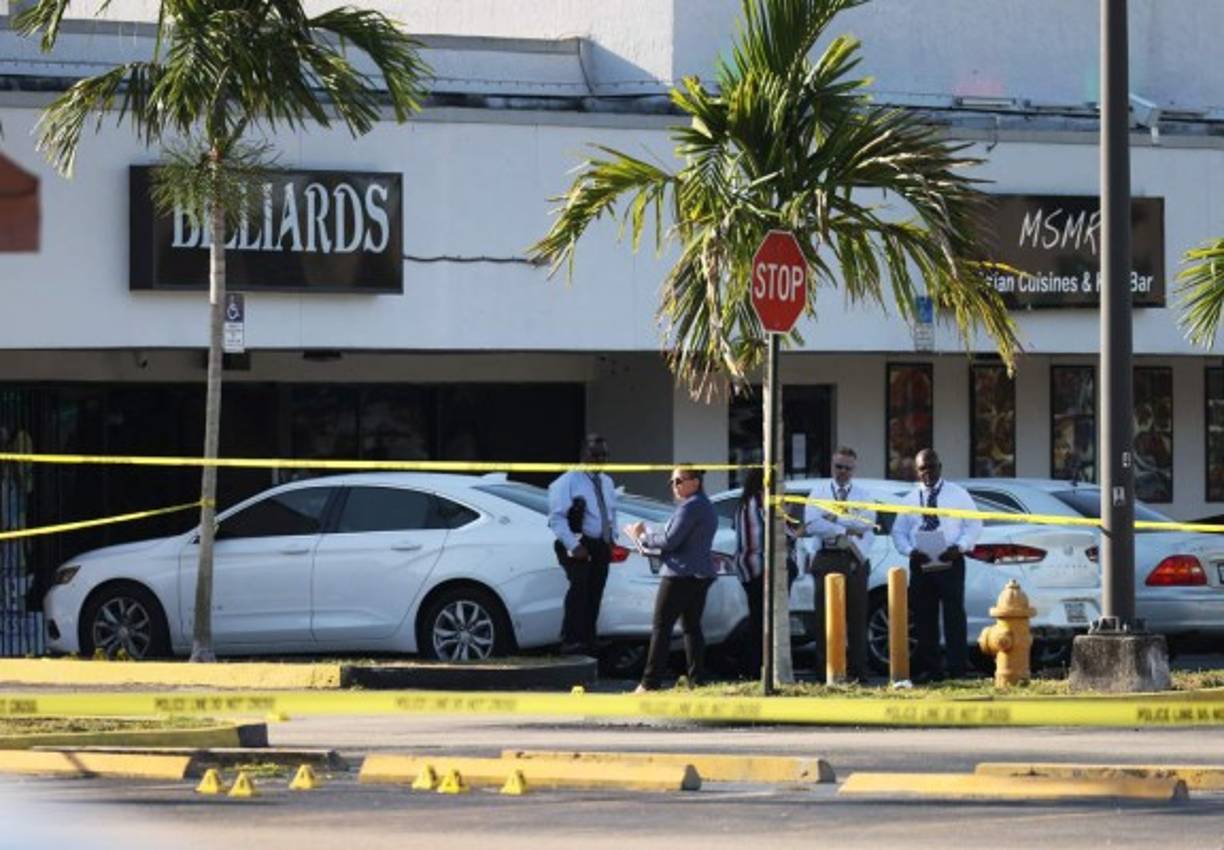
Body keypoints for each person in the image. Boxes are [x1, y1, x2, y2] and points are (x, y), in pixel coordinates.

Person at [890, 448, 982, 683]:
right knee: (924, 618)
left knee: (954, 617)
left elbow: (974, 525)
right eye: (922, 469)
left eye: (931, 467)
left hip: (950, 561)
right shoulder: (909, 499)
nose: (927, 473)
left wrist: (959, 547)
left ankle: (957, 669)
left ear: (940, 467)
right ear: (916, 471)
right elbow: (898, 532)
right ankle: (932, 670)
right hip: (921, 564)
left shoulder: (958, 494)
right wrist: (910, 551)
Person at [624, 466, 718, 692]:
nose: (675, 486)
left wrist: (643, 536)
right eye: (672, 482)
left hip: (680, 575)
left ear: (695, 482)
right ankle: (697, 681)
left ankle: (649, 683)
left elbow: (670, 540)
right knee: (691, 628)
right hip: (698, 574)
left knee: (661, 627)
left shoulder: (690, 507)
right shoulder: (705, 505)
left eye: (679, 481)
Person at [803, 446, 875, 681]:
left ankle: (858, 671)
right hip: (826, 557)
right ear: (832, 466)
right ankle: (826, 670)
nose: (842, 471)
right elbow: (812, 524)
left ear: (854, 469)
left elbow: (866, 523)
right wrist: (845, 527)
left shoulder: (864, 495)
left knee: (856, 617)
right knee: (824, 618)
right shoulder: (819, 491)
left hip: (854, 558)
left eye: (847, 468)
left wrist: (832, 518)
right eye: (838, 467)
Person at [548, 433, 617, 656]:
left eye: (604, 456)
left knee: (595, 592)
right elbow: (556, 518)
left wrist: (612, 538)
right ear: (584, 455)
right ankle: (570, 639)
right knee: (579, 588)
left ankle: (589, 639)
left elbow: (611, 512)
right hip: (577, 542)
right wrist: (573, 545)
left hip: (600, 544)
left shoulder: (606, 482)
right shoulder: (568, 481)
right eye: (595, 455)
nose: (600, 460)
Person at [733, 467, 765, 676]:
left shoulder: (742, 504)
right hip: (760, 568)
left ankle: (751, 667)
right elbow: (784, 532)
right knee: (761, 623)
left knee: (755, 619)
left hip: (745, 568)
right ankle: (756, 667)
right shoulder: (761, 503)